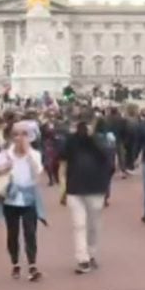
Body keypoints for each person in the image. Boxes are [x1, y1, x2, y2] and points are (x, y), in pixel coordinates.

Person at [0, 122, 47, 282]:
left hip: (29, 198)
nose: (20, 138)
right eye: (17, 134)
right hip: (10, 199)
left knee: (30, 232)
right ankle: (15, 263)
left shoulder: (35, 155)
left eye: (24, 134)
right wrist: (2, 169)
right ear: (12, 137)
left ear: (30, 137)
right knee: (12, 233)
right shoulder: (5, 155)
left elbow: (37, 174)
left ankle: (32, 265)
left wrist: (28, 155)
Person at [61, 117, 112, 274]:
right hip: (75, 189)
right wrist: (63, 187)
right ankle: (82, 258)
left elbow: (108, 160)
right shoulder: (70, 141)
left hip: (96, 188)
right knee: (79, 225)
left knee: (93, 225)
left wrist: (92, 138)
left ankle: (91, 253)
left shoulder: (102, 140)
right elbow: (63, 162)